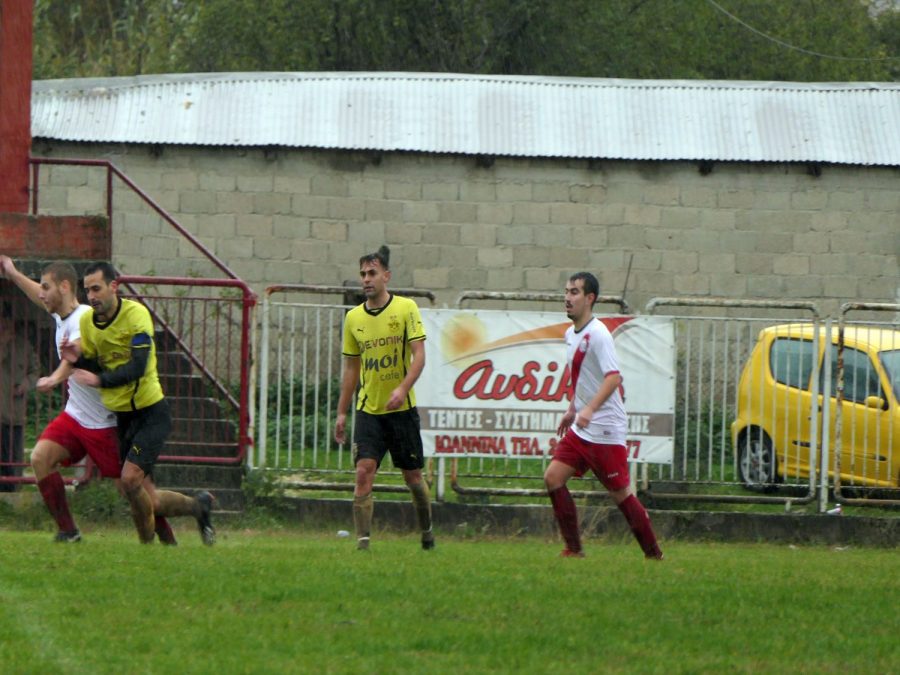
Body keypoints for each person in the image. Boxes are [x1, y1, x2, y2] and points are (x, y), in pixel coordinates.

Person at [36, 259, 214, 546]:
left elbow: (138, 366)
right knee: (42, 458)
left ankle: (180, 524)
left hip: (136, 415)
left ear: (114, 287)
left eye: (97, 289)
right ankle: (70, 532)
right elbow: (92, 360)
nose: (92, 296)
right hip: (101, 416)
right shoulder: (85, 320)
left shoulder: (136, 315)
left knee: (138, 491)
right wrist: (77, 359)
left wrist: (90, 379)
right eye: (88, 290)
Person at [544, 271, 663, 559]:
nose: (567, 298)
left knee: (621, 493)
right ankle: (574, 549)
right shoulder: (571, 334)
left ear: (590, 298)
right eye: (566, 291)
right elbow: (585, 377)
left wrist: (589, 409)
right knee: (553, 478)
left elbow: (613, 379)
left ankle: (654, 554)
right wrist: (574, 409)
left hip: (606, 430)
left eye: (574, 292)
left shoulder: (598, 335)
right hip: (583, 428)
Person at [334, 245, 434, 551]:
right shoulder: (353, 318)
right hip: (369, 411)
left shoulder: (406, 309)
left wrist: (402, 388)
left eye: (372, 273)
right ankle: (363, 543)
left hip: (401, 410)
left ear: (386, 276)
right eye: (363, 274)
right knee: (363, 471)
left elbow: (419, 356)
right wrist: (341, 413)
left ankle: (427, 531)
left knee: (413, 476)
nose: (366, 279)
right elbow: (352, 368)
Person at [0, 308, 39, 491]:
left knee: (14, 453)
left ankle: (13, 490)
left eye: (8, 322)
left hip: (14, 411)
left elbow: (35, 371)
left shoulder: (24, 345)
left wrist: (25, 383)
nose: (6, 326)